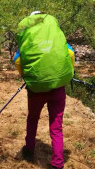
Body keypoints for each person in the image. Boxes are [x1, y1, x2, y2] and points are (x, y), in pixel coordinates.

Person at [14, 11, 75, 169]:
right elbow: (71, 53)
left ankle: (29, 150)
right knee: (56, 127)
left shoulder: (28, 39)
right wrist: (66, 73)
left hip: (36, 89)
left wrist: (25, 76)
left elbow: (17, 60)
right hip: (58, 88)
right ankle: (57, 163)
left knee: (33, 118)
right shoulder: (55, 36)